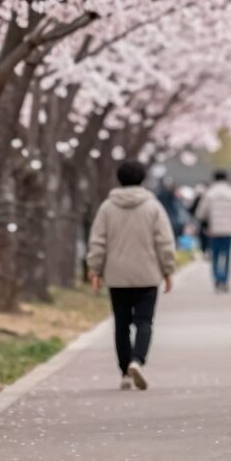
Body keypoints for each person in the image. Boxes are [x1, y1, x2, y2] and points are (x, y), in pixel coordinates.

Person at [87, 160, 177, 391]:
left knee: (122, 325)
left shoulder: (107, 208)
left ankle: (125, 372)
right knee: (145, 322)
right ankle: (137, 360)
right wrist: (168, 270)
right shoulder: (153, 207)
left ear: (119, 178)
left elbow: (98, 241)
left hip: (117, 276)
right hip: (147, 275)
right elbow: (164, 242)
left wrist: (94, 269)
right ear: (142, 178)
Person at [195, 169, 231, 292]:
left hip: (214, 230)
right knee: (227, 255)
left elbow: (200, 213)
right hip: (229, 230)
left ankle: (217, 279)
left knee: (215, 255)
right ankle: (224, 279)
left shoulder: (210, 193)